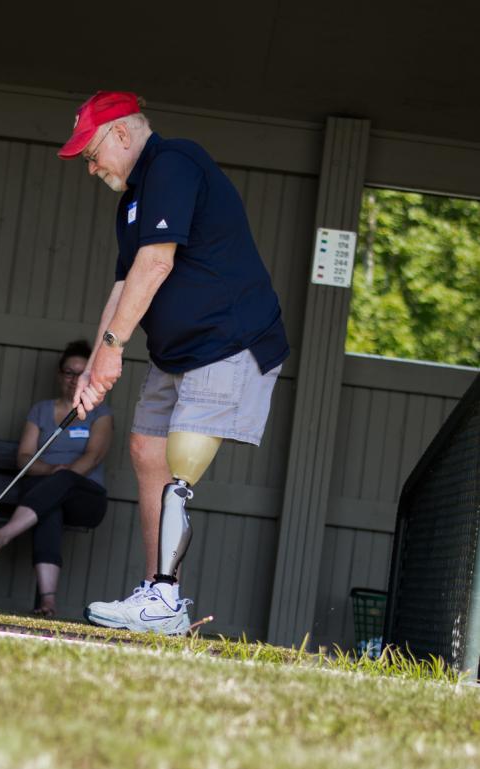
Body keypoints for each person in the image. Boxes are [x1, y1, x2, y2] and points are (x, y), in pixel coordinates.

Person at [57, 91, 290, 634]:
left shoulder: (174, 163)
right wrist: (95, 365)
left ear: (120, 132)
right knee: (147, 449)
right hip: (178, 350)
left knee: (181, 461)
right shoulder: (131, 201)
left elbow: (158, 261)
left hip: (229, 340)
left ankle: (163, 601)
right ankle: (160, 596)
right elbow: (124, 283)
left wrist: (115, 348)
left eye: (92, 153)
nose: (91, 168)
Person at [0, 340, 113, 617]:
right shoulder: (40, 410)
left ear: (91, 378)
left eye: (81, 373)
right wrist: (51, 472)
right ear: (59, 374)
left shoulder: (100, 413)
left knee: (62, 483)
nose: (74, 379)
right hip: (45, 491)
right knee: (50, 508)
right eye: (69, 372)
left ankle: (1, 536)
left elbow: (94, 457)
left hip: (86, 497)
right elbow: (24, 458)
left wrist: (61, 476)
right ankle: (48, 602)